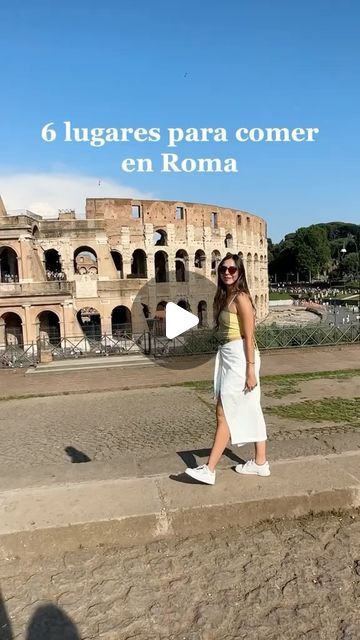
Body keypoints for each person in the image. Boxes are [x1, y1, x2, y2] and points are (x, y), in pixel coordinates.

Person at [185, 253, 270, 485]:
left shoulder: (241, 298)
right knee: (251, 407)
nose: (227, 273)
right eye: (223, 269)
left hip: (241, 357)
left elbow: (249, 336)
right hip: (231, 356)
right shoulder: (226, 296)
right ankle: (260, 463)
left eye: (232, 269)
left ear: (240, 272)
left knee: (224, 413)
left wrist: (251, 369)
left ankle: (209, 469)